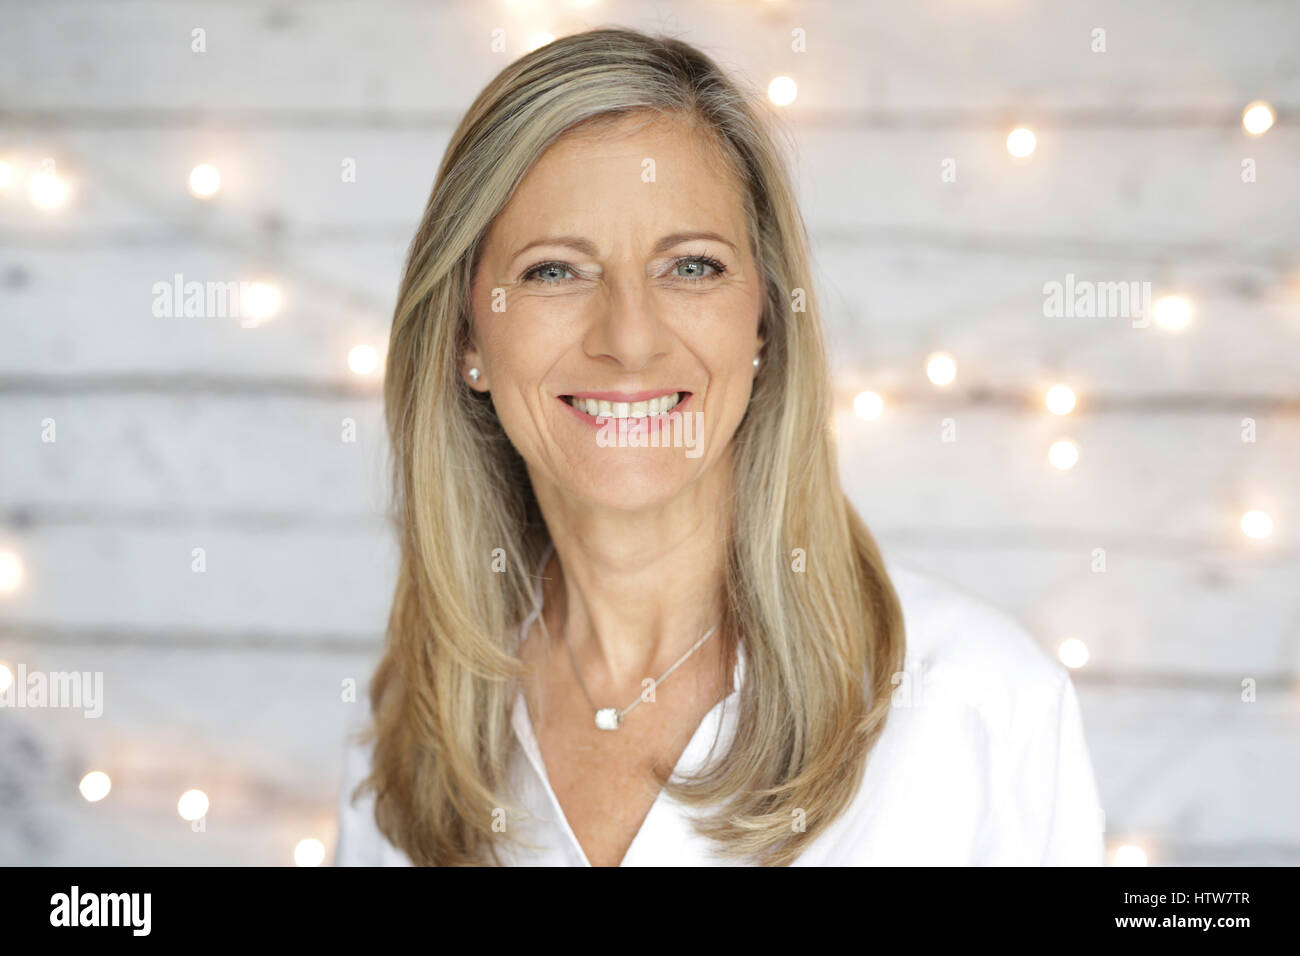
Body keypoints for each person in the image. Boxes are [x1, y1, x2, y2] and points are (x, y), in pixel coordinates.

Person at [334, 27, 1105, 867]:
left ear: (766, 322)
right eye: (555, 270)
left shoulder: (980, 703)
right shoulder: (415, 730)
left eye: (691, 267)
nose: (629, 339)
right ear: (465, 338)